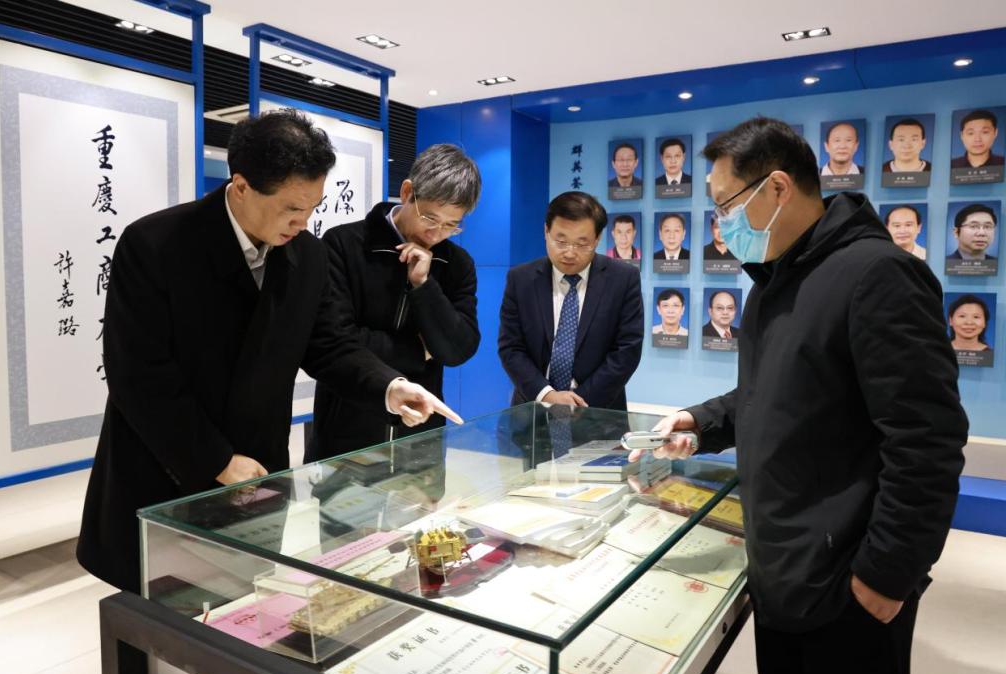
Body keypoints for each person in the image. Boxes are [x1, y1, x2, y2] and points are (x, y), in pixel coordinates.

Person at [630, 117, 967, 674]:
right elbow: (773, 391)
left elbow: (927, 440)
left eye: (726, 205)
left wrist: (885, 575)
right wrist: (700, 421)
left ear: (778, 188)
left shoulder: (878, 275)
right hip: (784, 567)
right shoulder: (776, 281)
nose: (721, 223)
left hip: (845, 582)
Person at [77, 110, 458, 595]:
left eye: (313, 207)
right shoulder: (156, 244)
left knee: (239, 606)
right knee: (156, 614)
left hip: (257, 471)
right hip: (167, 467)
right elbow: (139, 374)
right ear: (241, 186)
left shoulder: (307, 254)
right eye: (291, 208)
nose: (303, 222)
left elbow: (328, 344)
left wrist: (389, 386)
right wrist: (216, 459)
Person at [306, 144, 482, 462]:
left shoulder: (457, 264)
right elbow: (336, 342)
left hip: (421, 440)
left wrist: (423, 285)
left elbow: (458, 349)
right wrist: (419, 352)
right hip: (346, 436)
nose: (437, 233)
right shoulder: (344, 245)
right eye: (430, 217)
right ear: (407, 192)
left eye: (451, 225)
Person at [498, 191, 643, 410]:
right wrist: (547, 395)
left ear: (597, 239)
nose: (569, 253)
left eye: (582, 244)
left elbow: (627, 351)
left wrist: (576, 402)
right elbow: (511, 348)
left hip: (599, 411)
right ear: (546, 231)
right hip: (533, 409)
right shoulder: (521, 279)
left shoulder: (623, 279)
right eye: (561, 241)